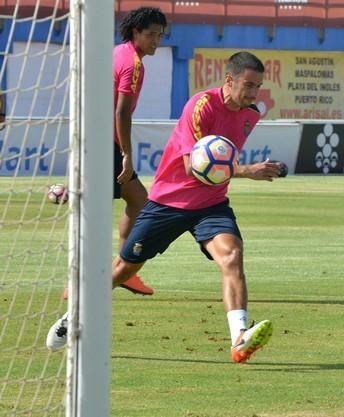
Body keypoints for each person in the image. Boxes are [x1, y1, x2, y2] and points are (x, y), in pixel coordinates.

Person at [47, 51, 280, 363]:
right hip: (169, 201)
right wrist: (246, 171)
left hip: (211, 204)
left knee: (232, 256)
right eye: (248, 85)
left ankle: (239, 338)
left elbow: (220, 163)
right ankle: (73, 316)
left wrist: (249, 169)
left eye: (258, 87)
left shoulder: (251, 115)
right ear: (229, 80)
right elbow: (192, 165)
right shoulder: (201, 106)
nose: (253, 93)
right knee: (123, 270)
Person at [63, 7, 167, 299]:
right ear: (135, 32)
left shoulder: (117, 51)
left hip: (93, 138)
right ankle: (94, 277)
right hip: (106, 145)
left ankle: (122, 268)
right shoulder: (133, 64)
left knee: (137, 202)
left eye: (160, 35)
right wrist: (127, 154)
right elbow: (122, 112)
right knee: (101, 208)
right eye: (151, 35)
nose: (156, 41)